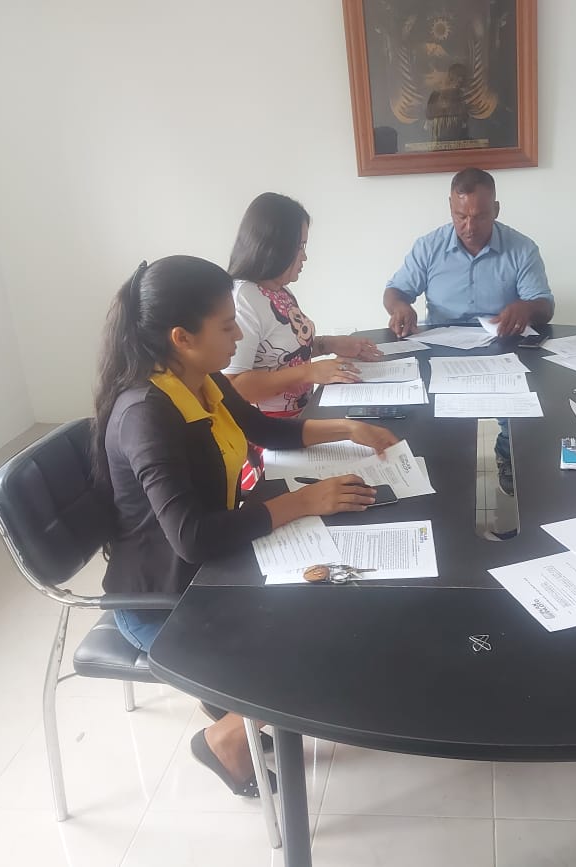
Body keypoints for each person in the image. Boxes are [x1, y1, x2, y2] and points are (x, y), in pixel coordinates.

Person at [92, 255, 398, 799]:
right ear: (182, 337)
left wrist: (349, 428)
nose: (237, 338)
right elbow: (192, 537)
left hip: (217, 566)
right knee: (319, 646)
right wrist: (303, 503)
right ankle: (225, 738)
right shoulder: (147, 413)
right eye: (227, 326)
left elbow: (265, 430)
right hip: (166, 599)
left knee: (341, 604)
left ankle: (237, 709)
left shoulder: (200, 379)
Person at [224, 192, 382, 417]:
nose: (304, 257)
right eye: (300, 246)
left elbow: (284, 355)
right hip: (266, 426)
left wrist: (329, 344)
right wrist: (308, 372)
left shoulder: (278, 290)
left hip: (301, 415)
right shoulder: (243, 299)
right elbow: (235, 387)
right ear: (275, 247)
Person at [382, 167, 554, 338]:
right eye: (461, 217)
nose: (470, 227)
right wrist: (399, 307)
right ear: (450, 207)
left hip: (502, 342)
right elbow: (395, 291)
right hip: (440, 344)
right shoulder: (428, 247)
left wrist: (528, 308)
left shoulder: (522, 249)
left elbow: (545, 306)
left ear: (496, 210)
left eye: (480, 217)